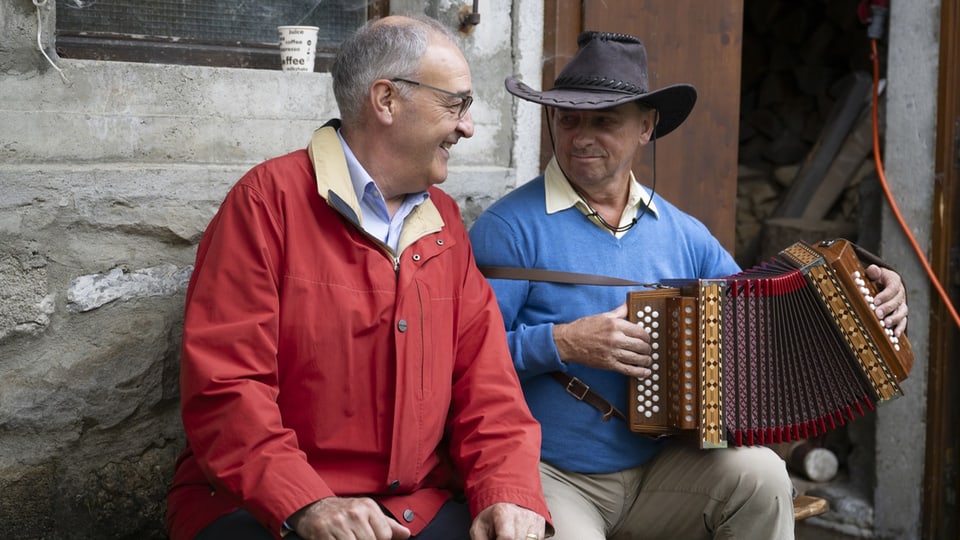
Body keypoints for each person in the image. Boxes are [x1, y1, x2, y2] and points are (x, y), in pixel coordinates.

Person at [469, 31, 910, 540]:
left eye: (604, 121)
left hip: (663, 470)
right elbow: (463, 361)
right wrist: (564, 341)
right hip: (553, 474)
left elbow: (763, 317)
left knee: (764, 476)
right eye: (569, 119)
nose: (581, 136)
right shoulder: (508, 227)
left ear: (646, 127)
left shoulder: (683, 233)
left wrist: (870, 288)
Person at [165, 15, 553, 540]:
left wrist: (508, 491)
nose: (467, 126)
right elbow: (227, 390)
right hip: (267, 508)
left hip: (415, 508)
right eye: (455, 104)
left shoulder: (445, 223)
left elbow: (487, 386)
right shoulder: (266, 204)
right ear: (387, 100)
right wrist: (309, 503)